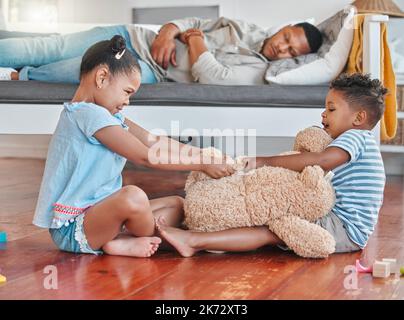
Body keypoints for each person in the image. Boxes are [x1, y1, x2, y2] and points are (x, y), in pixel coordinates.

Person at [32, 35, 235, 258]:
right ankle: (130, 240)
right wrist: (200, 164)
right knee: (133, 196)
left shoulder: (108, 116)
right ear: (101, 78)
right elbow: (145, 156)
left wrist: (201, 154)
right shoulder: (87, 114)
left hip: (105, 214)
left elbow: (152, 140)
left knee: (177, 204)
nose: (128, 102)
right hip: (76, 228)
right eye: (127, 92)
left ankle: (122, 240)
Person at [156, 73, 387, 257]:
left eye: (332, 109)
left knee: (270, 228)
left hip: (343, 228)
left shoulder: (356, 137)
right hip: (344, 226)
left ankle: (194, 240)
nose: (323, 114)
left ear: (358, 118)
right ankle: (195, 234)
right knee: (268, 218)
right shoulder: (359, 141)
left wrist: (264, 161)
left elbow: (321, 161)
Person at [0, 16, 323, 84]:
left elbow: (211, 76)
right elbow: (191, 19)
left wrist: (195, 39)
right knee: (47, 46)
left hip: (150, 72)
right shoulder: (246, 26)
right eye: (286, 37)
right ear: (283, 28)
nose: (281, 47)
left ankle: (17, 77)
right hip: (132, 36)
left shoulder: (259, 71)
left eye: (290, 52)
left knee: (71, 72)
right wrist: (169, 31)